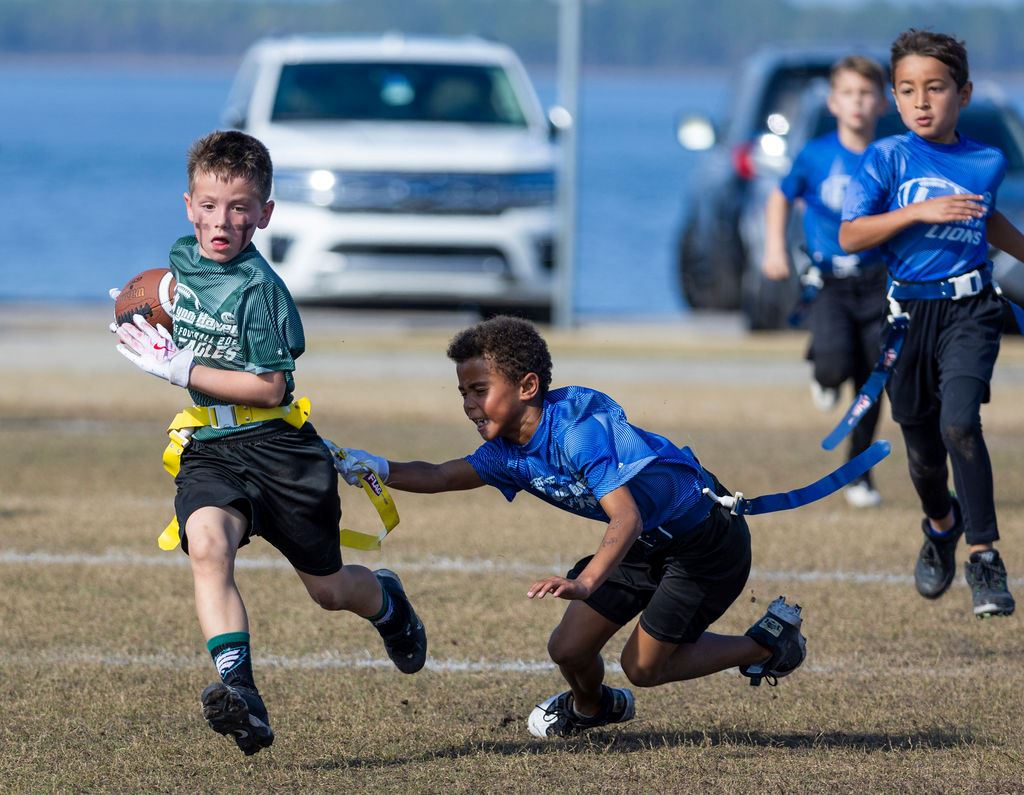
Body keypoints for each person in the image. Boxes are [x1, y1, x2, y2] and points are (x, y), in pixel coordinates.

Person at [330, 316, 807, 738]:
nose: (470, 406)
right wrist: (377, 467)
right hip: (643, 543)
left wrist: (584, 582)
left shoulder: (577, 433)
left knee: (641, 667)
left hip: (704, 544)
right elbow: (439, 475)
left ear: (527, 386)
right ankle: (594, 708)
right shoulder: (507, 451)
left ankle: (766, 643)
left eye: (480, 391)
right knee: (568, 648)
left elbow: (627, 514)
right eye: (463, 393)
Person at [111, 130, 427, 755]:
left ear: (264, 214)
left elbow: (271, 388)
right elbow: (177, 302)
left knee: (330, 590)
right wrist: (142, 309)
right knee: (207, 544)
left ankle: (387, 601)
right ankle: (242, 694)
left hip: (280, 452)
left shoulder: (261, 290)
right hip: (212, 448)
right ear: (188, 205)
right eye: (207, 205)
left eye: (237, 207)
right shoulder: (181, 258)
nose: (220, 220)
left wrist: (182, 370)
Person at [840, 29, 1024, 618]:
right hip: (906, 318)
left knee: (961, 424)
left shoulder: (987, 160)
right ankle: (941, 525)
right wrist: (917, 210)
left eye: (935, 88)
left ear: (962, 93)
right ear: (894, 98)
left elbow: (985, 219)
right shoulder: (886, 157)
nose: (922, 101)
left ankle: (985, 557)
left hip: (971, 310)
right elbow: (851, 233)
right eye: (908, 90)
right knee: (920, 450)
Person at [761, 55, 890, 509]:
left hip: (879, 282)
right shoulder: (816, 155)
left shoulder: (891, 155)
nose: (857, 103)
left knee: (874, 380)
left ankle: (860, 475)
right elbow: (780, 198)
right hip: (830, 282)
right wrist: (774, 249)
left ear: (882, 102)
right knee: (836, 364)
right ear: (834, 102)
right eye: (849, 94)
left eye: (866, 94)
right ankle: (823, 366)